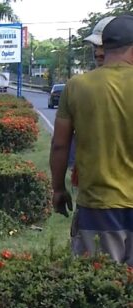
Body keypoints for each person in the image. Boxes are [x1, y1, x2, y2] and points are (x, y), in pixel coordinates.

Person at [50, 15, 133, 265]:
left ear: (103, 47)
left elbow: (60, 145)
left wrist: (58, 189)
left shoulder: (76, 86)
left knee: (100, 289)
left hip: (98, 206)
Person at [68, 16, 115, 185]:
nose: (98, 53)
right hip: (93, 187)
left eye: (104, 47)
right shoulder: (80, 85)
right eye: (95, 46)